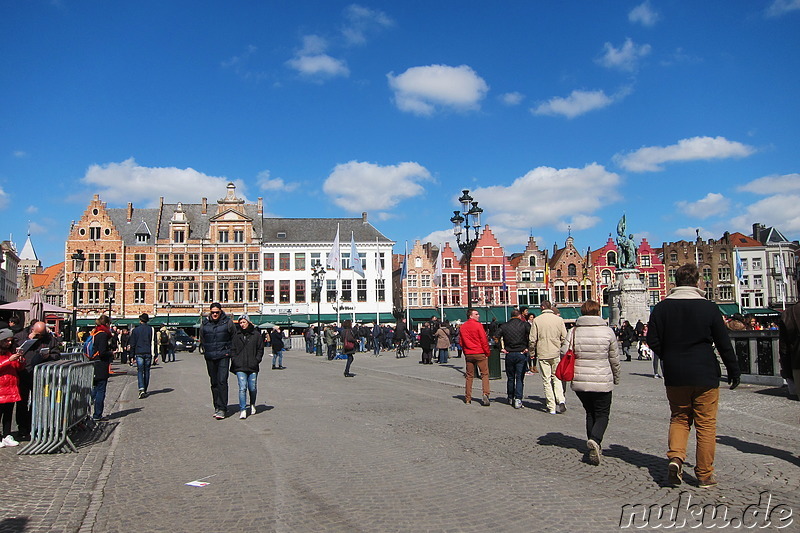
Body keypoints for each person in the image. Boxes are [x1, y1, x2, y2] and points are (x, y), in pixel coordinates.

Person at [647, 263, 740, 488]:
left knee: (679, 418)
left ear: (676, 282)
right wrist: (733, 370)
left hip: (675, 374)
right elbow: (723, 342)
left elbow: (652, 339)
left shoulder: (661, 308)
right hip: (705, 372)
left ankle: (676, 458)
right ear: (697, 281)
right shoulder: (709, 308)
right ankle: (705, 474)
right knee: (706, 424)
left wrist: (668, 356)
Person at [564, 300, 620, 465]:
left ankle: (593, 445)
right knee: (602, 413)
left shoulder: (573, 331)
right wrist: (616, 377)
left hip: (580, 380)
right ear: (597, 313)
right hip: (602, 378)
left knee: (590, 412)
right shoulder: (608, 332)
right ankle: (595, 440)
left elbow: (563, 351)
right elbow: (614, 359)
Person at [14, 321, 60, 440]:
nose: (40, 336)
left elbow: (57, 354)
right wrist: (28, 341)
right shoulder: (21, 336)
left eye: (42, 334)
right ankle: (22, 428)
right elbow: (14, 349)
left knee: (37, 402)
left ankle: (32, 426)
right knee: (22, 402)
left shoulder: (49, 338)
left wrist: (49, 356)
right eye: (38, 334)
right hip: (24, 372)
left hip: (40, 375)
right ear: (32, 329)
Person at [529, 301, 568, 414]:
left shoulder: (537, 320)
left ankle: (551, 406)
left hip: (543, 353)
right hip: (555, 352)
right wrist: (559, 346)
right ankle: (560, 400)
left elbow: (532, 340)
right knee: (557, 378)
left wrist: (532, 353)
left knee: (546, 380)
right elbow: (564, 337)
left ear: (542, 307)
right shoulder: (559, 320)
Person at [199, 303, 235, 419]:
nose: (215, 314)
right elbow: (203, 339)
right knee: (214, 382)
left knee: (222, 381)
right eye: (213, 312)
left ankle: (223, 408)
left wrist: (229, 351)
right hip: (210, 356)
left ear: (221, 312)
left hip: (223, 355)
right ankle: (217, 406)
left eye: (217, 312)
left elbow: (234, 337)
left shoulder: (227, 322)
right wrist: (206, 350)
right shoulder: (205, 324)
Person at [230, 315, 264, 419]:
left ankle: (252, 404)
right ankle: (243, 409)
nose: (242, 324)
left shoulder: (256, 335)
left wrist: (256, 360)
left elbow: (260, 349)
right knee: (242, 387)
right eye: (240, 323)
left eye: (244, 322)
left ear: (248, 322)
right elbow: (233, 349)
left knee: (252, 387)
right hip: (240, 366)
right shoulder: (237, 335)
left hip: (252, 365)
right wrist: (235, 360)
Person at [497, 308, 531, 409]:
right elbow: (532, 336)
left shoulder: (504, 326)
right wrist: (528, 348)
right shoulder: (524, 325)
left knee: (510, 377)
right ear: (519, 315)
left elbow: (495, 336)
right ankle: (518, 399)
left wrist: (501, 348)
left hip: (509, 353)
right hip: (521, 352)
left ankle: (510, 397)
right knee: (520, 378)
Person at [460, 309, 491, 406]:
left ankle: (468, 398)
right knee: (484, 374)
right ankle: (485, 393)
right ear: (471, 316)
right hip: (479, 352)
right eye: (476, 314)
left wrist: (465, 352)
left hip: (469, 353)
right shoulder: (478, 325)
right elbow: (483, 340)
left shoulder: (463, 327)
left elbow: (461, 342)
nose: (478, 316)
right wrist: (487, 352)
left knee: (469, 376)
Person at [0, 329, 24, 448]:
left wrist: (20, 361)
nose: (9, 343)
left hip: (10, 386)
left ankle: (7, 434)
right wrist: (8, 361)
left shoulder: (10, 352)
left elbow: (17, 368)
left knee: (8, 414)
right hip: (1, 387)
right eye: (6, 341)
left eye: (10, 341)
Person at [88, 315, 114, 421]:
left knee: (95, 388)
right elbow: (102, 352)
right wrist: (111, 353)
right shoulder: (103, 334)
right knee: (100, 390)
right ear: (107, 324)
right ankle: (97, 414)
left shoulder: (95, 332)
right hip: (100, 364)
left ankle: (85, 406)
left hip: (94, 362)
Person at [128, 313, 154, 399]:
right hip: (147, 352)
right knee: (147, 371)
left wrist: (131, 356)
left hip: (139, 352)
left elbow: (133, 344)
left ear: (140, 320)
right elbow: (153, 342)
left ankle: (141, 388)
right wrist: (155, 354)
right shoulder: (150, 329)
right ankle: (145, 389)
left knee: (140, 371)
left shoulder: (135, 330)